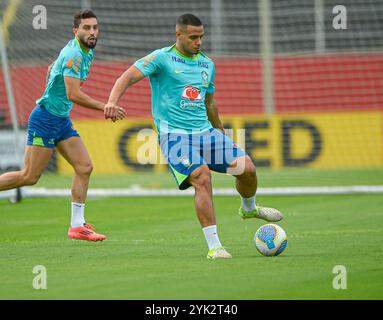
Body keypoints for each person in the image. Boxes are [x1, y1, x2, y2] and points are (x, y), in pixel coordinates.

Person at [105, 13, 283, 259]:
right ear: (178, 35)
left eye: (201, 37)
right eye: (193, 37)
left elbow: (209, 101)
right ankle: (215, 247)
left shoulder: (206, 64)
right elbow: (126, 77)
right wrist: (112, 101)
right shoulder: (161, 59)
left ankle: (249, 209)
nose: (198, 42)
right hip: (175, 137)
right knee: (202, 176)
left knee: (247, 168)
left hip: (206, 133)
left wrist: (219, 128)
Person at [0, 10, 126, 241]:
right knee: (29, 176)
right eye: (86, 28)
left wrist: (54, 71)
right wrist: (105, 106)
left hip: (60, 120)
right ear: (75, 31)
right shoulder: (75, 54)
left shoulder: (81, 50)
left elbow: (54, 67)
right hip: (45, 118)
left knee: (84, 167)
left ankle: (77, 226)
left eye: (95, 27)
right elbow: (73, 93)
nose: (92, 32)